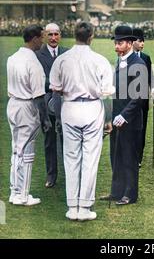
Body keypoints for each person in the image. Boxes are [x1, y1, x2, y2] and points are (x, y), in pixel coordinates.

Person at [49, 22, 114, 221]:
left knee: (71, 157)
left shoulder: (62, 59)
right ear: (91, 36)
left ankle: (73, 207)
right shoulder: (99, 60)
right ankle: (84, 207)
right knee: (89, 158)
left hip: (70, 107)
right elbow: (107, 91)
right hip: (92, 107)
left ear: (73, 35)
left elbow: (55, 87)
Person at [100, 25, 146, 205]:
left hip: (131, 121)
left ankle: (130, 194)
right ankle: (116, 191)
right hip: (117, 119)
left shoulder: (139, 64)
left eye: (120, 43)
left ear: (129, 43)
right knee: (116, 157)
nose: (116, 46)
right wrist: (111, 117)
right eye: (115, 43)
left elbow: (140, 96)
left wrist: (125, 115)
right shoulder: (119, 60)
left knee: (129, 158)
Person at [7, 25, 52, 206]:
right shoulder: (33, 62)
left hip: (13, 104)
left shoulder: (12, 58)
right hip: (27, 106)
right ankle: (23, 196)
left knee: (16, 149)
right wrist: (45, 119)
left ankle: (14, 191)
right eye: (41, 38)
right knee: (27, 152)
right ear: (34, 39)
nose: (43, 41)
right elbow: (39, 96)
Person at [36, 23, 68, 188]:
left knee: (67, 139)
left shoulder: (67, 53)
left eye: (56, 34)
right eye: (50, 35)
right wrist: (56, 84)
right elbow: (38, 80)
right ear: (45, 36)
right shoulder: (37, 55)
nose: (54, 38)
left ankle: (69, 174)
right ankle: (51, 175)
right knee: (49, 139)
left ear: (60, 35)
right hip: (46, 102)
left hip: (65, 102)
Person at [132, 28, 154, 166]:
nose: (142, 43)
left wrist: (153, 88)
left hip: (142, 100)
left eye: (143, 41)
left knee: (142, 128)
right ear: (132, 42)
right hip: (129, 99)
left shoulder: (146, 58)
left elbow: (151, 76)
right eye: (139, 40)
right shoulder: (125, 56)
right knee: (130, 128)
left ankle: (139, 157)